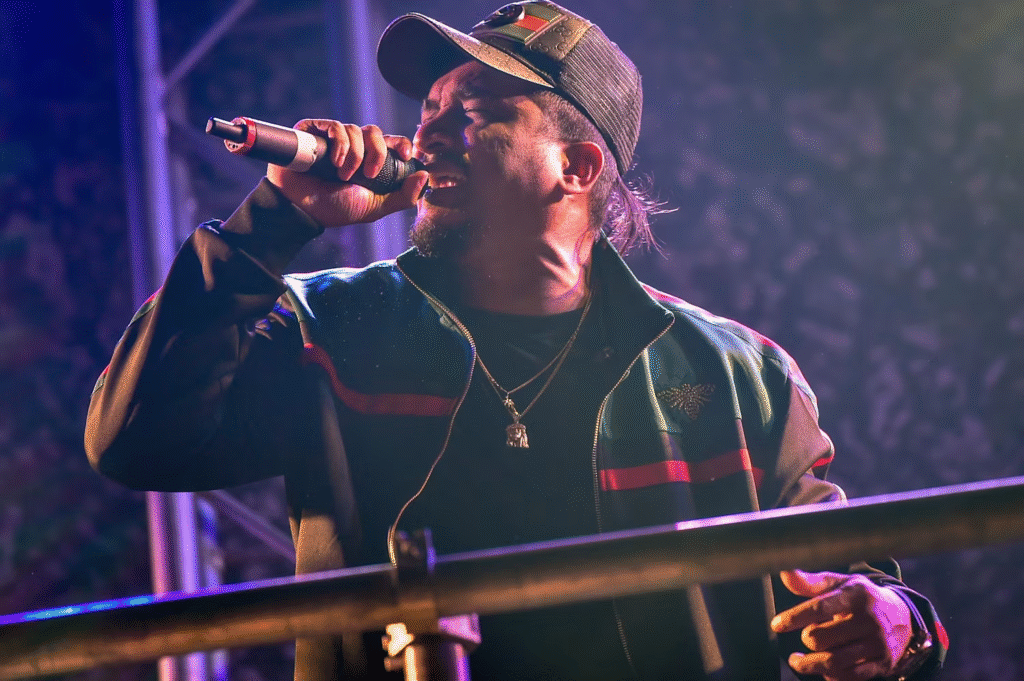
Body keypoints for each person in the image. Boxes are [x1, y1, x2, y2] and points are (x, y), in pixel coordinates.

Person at [86, 2, 946, 679]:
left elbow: (864, 589)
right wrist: (274, 221)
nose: (423, 136)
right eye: (426, 110)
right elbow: (134, 439)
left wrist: (898, 625)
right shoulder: (332, 327)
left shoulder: (736, 373)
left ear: (577, 167)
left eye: (475, 113)